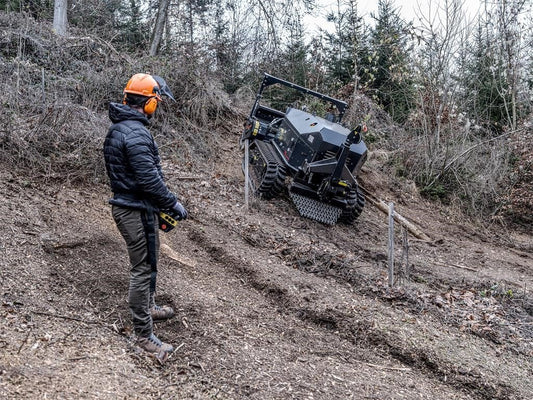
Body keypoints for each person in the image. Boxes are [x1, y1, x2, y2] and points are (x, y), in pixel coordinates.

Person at [103, 73, 187, 360]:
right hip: (134, 209)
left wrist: (159, 205)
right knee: (141, 268)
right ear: (148, 102)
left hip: (137, 206)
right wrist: (172, 203)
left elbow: (143, 178)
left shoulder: (121, 128)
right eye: (156, 101)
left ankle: (148, 306)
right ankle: (144, 336)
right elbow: (149, 180)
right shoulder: (135, 132)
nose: (157, 106)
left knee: (151, 260)